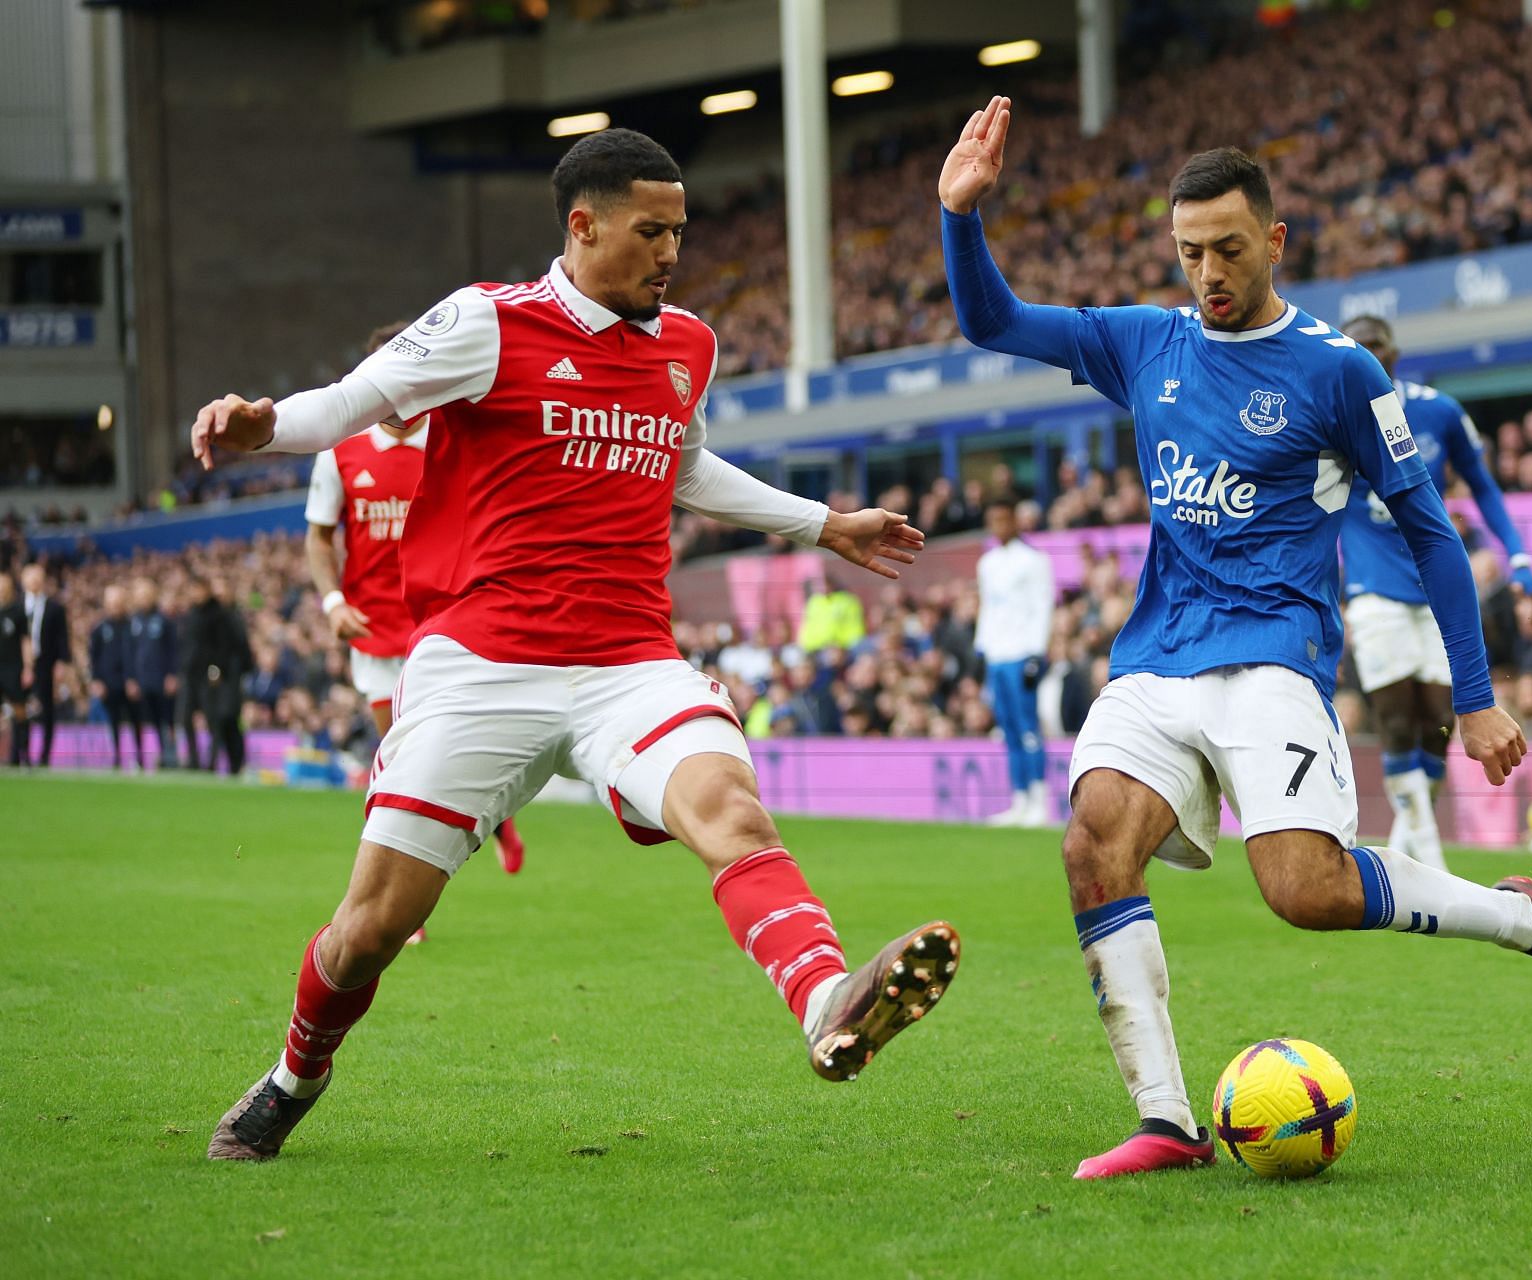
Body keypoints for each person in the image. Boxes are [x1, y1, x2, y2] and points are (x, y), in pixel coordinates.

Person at [193, 127, 958, 1163]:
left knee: (731, 810)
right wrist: (260, 424)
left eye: (680, 232)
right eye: (651, 231)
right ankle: (295, 1073)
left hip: (629, 662)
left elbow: (684, 466)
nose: (671, 252)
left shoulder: (688, 344)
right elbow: (352, 403)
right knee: (369, 926)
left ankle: (829, 996)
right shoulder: (486, 322)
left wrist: (823, 522)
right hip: (482, 664)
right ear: (582, 225)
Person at [939, 98, 1532, 1181]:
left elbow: (1432, 532)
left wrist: (1475, 693)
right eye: (1189, 252)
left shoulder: (1337, 373)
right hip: (1156, 656)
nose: (1208, 272)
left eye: (1228, 248)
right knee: (1092, 842)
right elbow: (995, 323)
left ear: (1275, 240)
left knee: (1305, 892)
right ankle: (1168, 1120)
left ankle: (1517, 916)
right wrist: (960, 218)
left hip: (1275, 655)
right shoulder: (1146, 342)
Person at [306, 320, 527, 905]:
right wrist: (333, 602)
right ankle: (395, 901)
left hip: (447, 619)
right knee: (399, 756)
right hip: (374, 627)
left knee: (447, 745)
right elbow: (318, 538)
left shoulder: (454, 433)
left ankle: (491, 825)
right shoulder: (342, 451)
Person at [1338, 315, 1532, 871]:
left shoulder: (1438, 412)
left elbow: (1484, 486)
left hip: (1435, 589)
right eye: (1357, 348)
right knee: (1396, 715)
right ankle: (1428, 850)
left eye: (1376, 347)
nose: (1369, 356)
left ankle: (1408, 843)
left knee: (1439, 720)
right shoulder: (1332, 416)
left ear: (1394, 355)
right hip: (1372, 588)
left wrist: (1518, 557)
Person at [976, 496, 1055, 826]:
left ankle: (1039, 799)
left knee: (1028, 728)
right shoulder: (987, 563)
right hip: (996, 654)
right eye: (993, 520)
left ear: (1015, 521)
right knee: (1007, 728)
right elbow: (987, 608)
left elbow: (1043, 606)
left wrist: (1037, 652)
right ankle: (1019, 799)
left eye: (1003, 519)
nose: (998, 526)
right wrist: (981, 648)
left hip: (1022, 652)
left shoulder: (1034, 560)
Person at [179, 575, 253, 774]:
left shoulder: (227, 617)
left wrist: (216, 670)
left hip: (226, 678)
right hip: (210, 676)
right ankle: (219, 762)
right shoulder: (196, 614)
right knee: (221, 719)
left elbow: (235, 651)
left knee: (225, 719)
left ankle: (233, 763)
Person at [20, 563, 70, 766]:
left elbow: (62, 638)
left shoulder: (55, 607)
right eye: (30, 577)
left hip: (45, 662)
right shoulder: (16, 606)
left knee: (47, 708)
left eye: (38, 577)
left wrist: (62, 663)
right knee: (19, 709)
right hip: (20, 665)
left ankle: (44, 755)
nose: (34, 581)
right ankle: (20, 752)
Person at [88, 584, 141, 769]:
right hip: (109, 684)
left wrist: (134, 679)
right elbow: (93, 658)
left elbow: (138, 656)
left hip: (131, 683)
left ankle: (140, 756)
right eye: (112, 602)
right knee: (114, 721)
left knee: (136, 720)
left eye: (118, 602)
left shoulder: (134, 626)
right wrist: (96, 681)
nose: (115, 606)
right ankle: (116, 757)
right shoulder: (100, 628)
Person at [128, 577, 180, 767]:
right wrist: (131, 678)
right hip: (141, 681)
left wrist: (172, 675)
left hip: (161, 680)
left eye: (146, 594)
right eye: (140, 594)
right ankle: (142, 757)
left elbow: (174, 650)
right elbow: (129, 653)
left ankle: (170, 756)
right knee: (143, 720)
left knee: (167, 719)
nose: (143, 598)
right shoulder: (133, 621)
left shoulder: (165, 620)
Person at [1, 572, 31, 766]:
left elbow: (25, 641)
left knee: (19, 711)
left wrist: (28, 667)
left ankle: (23, 755)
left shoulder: (17, 611)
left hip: (13, 668)